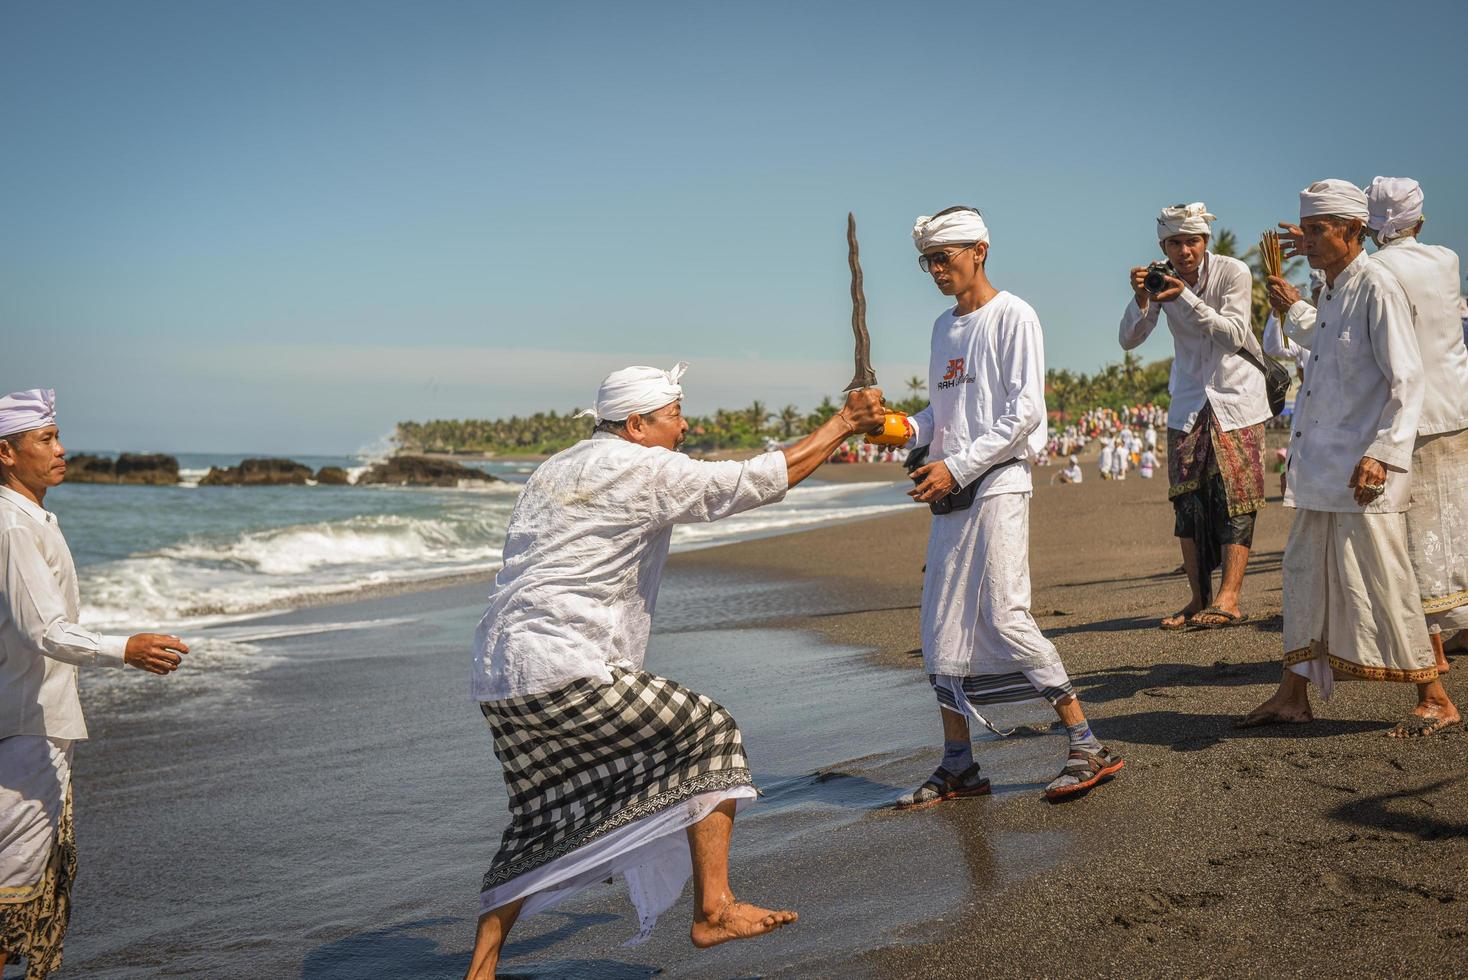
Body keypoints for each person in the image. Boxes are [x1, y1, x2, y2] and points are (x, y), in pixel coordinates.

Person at [464, 362, 886, 978]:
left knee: (538, 813)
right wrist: (846, 422)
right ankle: (713, 909)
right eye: (675, 415)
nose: (685, 427)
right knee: (711, 731)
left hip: (500, 673)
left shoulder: (555, 467)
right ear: (637, 424)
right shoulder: (643, 466)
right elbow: (753, 481)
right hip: (566, 663)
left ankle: (481, 970)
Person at [894, 205, 1122, 809]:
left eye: (945, 257)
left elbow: (1023, 415)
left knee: (1005, 614)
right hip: (951, 494)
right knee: (940, 625)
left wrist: (957, 465)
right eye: (928, 261)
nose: (936, 269)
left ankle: (1086, 744)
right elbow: (940, 418)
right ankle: (958, 765)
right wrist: (897, 430)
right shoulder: (944, 327)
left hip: (996, 486)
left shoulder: (1013, 315)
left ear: (980, 252)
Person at [1240, 179, 1458, 737]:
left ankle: (1435, 696)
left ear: (1353, 231)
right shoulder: (1334, 290)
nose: (1306, 240)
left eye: (1317, 230)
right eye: (1306, 228)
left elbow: (1407, 380)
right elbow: (1323, 344)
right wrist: (1291, 308)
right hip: (1321, 467)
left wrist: (1383, 455)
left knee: (1385, 579)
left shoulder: (1378, 287)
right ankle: (1293, 693)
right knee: (1303, 575)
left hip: (1363, 471)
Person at [0, 389, 187, 979]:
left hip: (25, 717)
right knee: (10, 899)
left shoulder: (29, 519)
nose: (62, 450)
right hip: (29, 728)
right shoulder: (14, 527)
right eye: (46, 439)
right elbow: (46, 630)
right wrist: (123, 649)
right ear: (6, 453)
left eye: (58, 436)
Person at [1119, 202, 1272, 630]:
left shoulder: (1233, 273)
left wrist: (1183, 296)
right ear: (1162, 245)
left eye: (1192, 241)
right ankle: (1197, 596)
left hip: (1236, 397)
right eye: (1174, 243)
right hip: (1188, 399)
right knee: (1186, 500)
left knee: (1235, 498)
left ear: (1205, 242)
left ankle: (1229, 596)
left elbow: (1234, 334)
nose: (1184, 251)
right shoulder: (1160, 277)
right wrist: (1142, 298)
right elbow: (1129, 339)